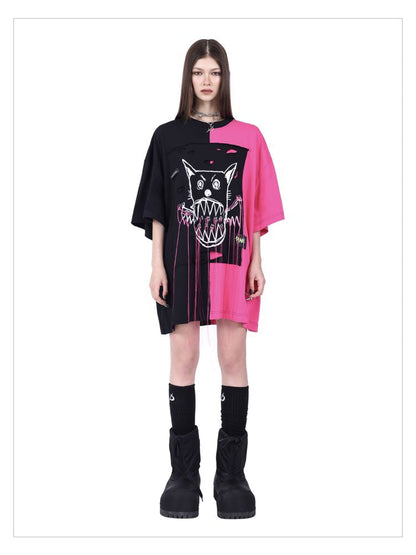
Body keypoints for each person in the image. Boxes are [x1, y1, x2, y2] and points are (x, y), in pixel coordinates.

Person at [131, 39, 285, 519]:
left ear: (225, 78)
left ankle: (231, 476)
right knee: (184, 358)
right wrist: (156, 264)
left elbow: (255, 204)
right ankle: (183, 475)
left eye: (214, 72)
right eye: (198, 71)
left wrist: (257, 261)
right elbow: (157, 206)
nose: (206, 80)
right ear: (187, 77)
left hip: (233, 260)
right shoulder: (166, 137)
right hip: (180, 262)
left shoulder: (250, 136)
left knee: (233, 358)